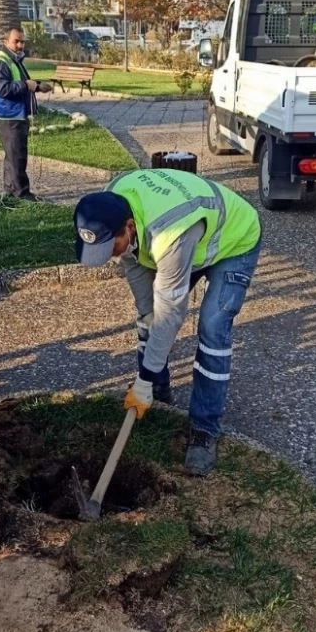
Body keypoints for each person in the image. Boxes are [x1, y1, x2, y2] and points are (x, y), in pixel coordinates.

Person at [73, 168, 262, 476]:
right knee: (149, 320)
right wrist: (147, 316)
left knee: (212, 328)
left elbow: (171, 313)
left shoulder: (169, 232)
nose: (108, 257)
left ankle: (204, 429)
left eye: (110, 248)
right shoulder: (112, 202)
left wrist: (144, 377)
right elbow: (135, 268)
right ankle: (159, 399)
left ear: (129, 227)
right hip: (187, 241)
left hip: (233, 239)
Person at [0, 28, 52, 201]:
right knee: (17, 156)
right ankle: (22, 194)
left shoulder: (13, 59)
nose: (20, 45)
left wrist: (38, 86)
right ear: (5, 41)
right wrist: (26, 85)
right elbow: (3, 89)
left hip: (15, 114)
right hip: (9, 117)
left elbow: (20, 82)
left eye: (22, 41)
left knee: (12, 155)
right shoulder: (1, 63)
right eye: (16, 41)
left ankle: (10, 190)